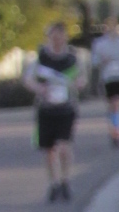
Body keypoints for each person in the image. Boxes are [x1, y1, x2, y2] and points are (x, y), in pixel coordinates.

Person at [29, 20, 82, 201]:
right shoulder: (41, 58)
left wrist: (77, 84)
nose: (57, 40)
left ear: (65, 37)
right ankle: (54, 183)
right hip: (46, 109)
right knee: (49, 150)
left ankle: (66, 181)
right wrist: (39, 88)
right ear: (49, 37)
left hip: (66, 109)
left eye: (60, 36)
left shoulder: (71, 59)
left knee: (64, 146)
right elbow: (28, 79)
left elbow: (82, 78)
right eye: (53, 37)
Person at [92, 22, 119, 148]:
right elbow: (94, 60)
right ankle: (114, 128)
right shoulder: (100, 43)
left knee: (118, 103)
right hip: (108, 76)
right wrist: (103, 60)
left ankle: (117, 130)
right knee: (112, 104)